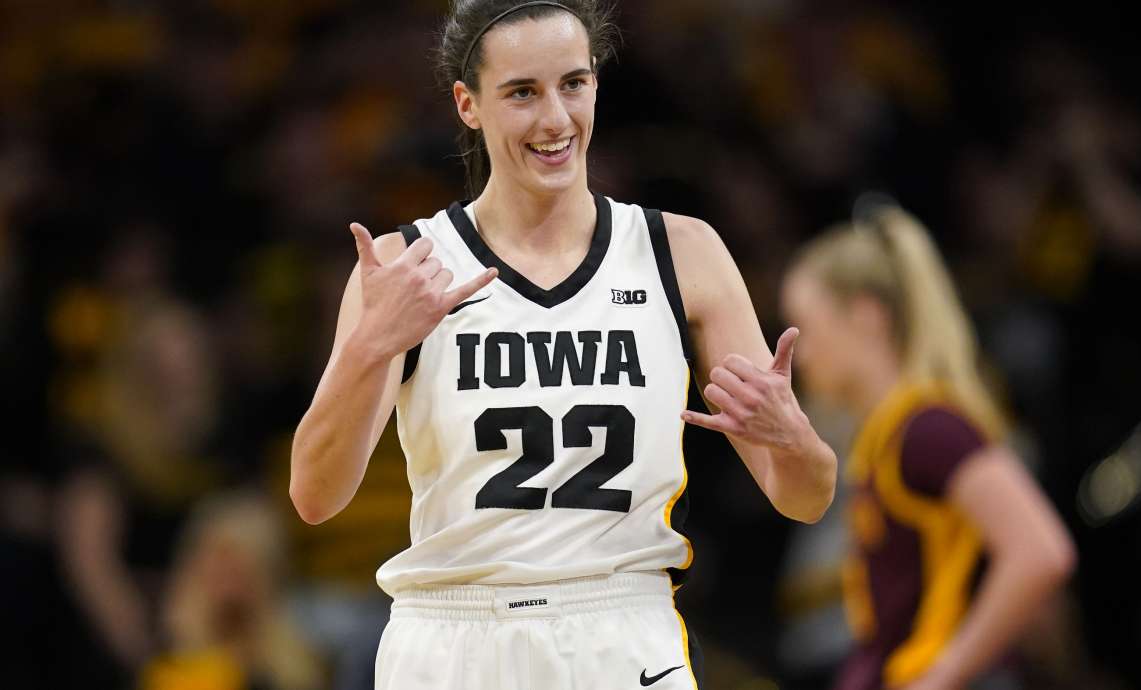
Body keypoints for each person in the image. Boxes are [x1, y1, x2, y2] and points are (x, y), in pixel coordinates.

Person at [288, 2, 838, 688]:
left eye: (573, 84)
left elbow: (807, 497)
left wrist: (794, 439)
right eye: (522, 92)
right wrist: (369, 347)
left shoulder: (682, 252)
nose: (555, 119)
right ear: (468, 104)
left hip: (622, 628)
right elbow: (314, 496)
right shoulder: (407, 265)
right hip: (451, 635)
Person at [779, 200, 1076, 690]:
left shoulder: (930, 428)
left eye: (805, 328)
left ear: (867, 316)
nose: (799, 354)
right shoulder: (885, 436)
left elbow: (1042, 551)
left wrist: (943, 676)